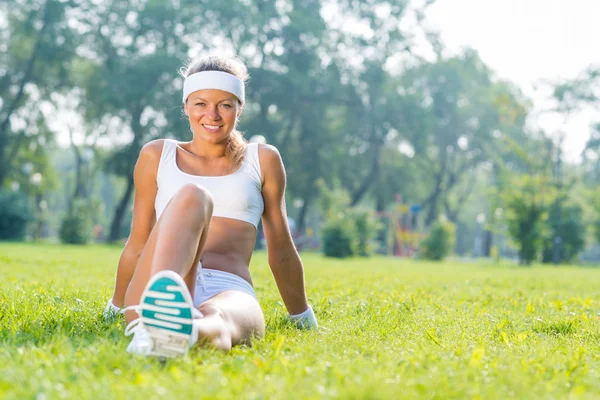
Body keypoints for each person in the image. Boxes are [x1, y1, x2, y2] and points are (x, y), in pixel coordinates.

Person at [104, 55, 318, 358]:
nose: (212, 115)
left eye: (225, 105)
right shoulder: (158, 155)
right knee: (194, 196)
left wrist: (301, 315)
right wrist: (114, 307)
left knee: (220, 319)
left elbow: (281, 250)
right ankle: (161, 314)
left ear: (239, 109)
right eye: (201, 103)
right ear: (186, 107)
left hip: (229, 286)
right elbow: (138, 243)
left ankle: (183, 332)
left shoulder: (263, 160)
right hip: (156, 284)